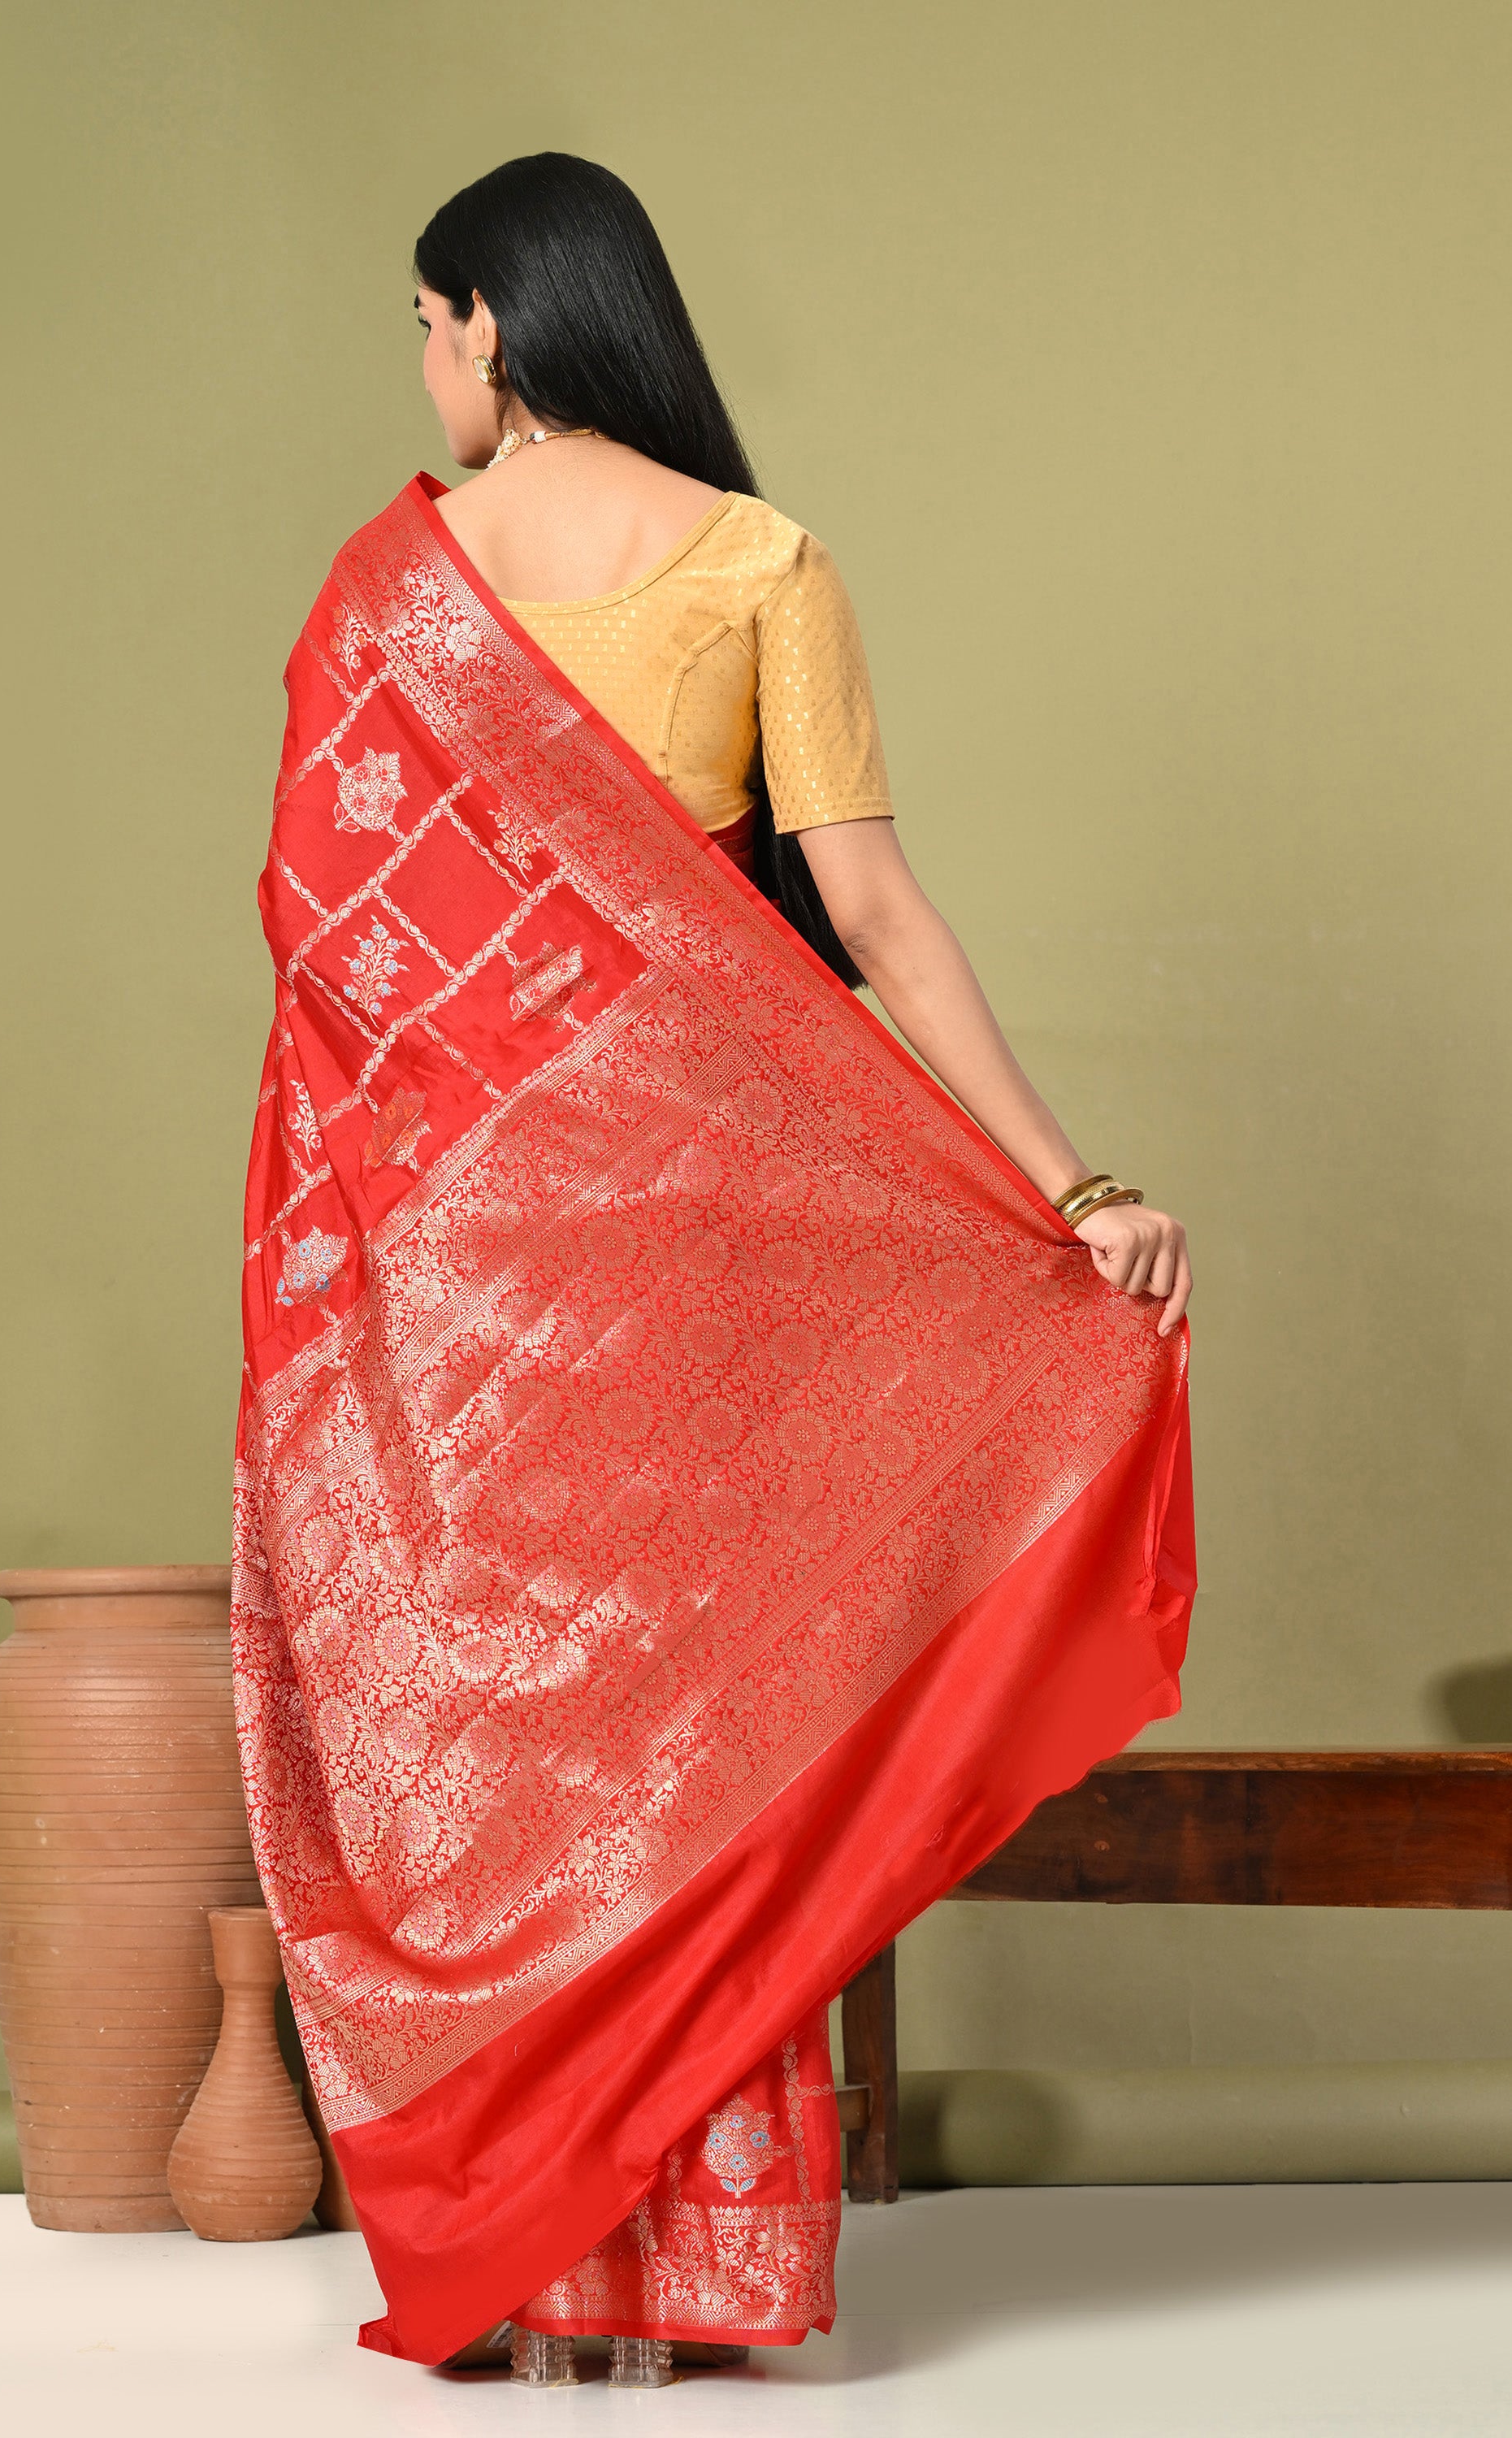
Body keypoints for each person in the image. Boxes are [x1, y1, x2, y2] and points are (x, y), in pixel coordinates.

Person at [230, 152, 1194, 2391]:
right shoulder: (758, 556)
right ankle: (694, 2288)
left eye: (424, 323)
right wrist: (1071, 1192)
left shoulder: (388, 596)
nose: (425, 366)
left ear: (491, 318)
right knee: (698, 1725)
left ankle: (542, 2276)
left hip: (469, 1257)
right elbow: (866, 921)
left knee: (523, 1729)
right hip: (701, 1229)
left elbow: (325, 938)